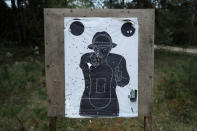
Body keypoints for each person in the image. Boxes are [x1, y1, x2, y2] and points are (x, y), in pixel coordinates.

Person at [79, 31, 130, 116]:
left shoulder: (118, 60)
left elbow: (124, 82)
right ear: (93, 48)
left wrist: (119, 78)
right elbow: (83, 63)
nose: (102, 51)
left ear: (110, 48)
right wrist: (92, 60)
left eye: (105, 48)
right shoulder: (86, 57)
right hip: (88, 105)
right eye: (98, 48)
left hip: (109, 106)